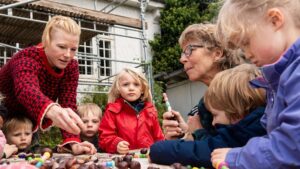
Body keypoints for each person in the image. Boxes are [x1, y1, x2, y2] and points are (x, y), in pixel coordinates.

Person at [211, 0, 300, 168]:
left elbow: (293, 146)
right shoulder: (280, 79)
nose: (246, 54)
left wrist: (237, 157)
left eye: (245, 42)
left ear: (274, 20)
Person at [0, 15, 95, 155]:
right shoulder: (26, 58)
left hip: (28, 124)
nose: (68, 55)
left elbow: (68, 103)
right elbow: (26, 89)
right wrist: (51, 108)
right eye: (62, 47)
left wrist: (73, 141)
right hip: (3, 117)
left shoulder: (71, 67)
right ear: (46, 41)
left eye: (73, 49)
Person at [150, 64, 266, 167]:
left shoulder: (241, 134)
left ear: (236, 114)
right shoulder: (258, 126)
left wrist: (198, 134)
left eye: (215, 115)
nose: (213, 122)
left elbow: (203, 150)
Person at [162, 23, 244, 140]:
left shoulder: (242, 94)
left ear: (217, 54)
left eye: (189, 50)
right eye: (182, 53)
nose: (182, 59)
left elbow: (233, 147)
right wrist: (185, 134)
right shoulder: (204, 106)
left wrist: (197, 133)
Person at [99, 68, 164, 154]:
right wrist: (116, 144)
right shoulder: (112, 111)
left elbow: (159, 137)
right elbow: (104, 137)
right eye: (126, 84)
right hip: (124, 160)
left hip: (148, 159)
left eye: (136, 84)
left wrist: (164, 150)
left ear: (142, 89)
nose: (131, 88)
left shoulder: (150, 111)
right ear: (118, 89)